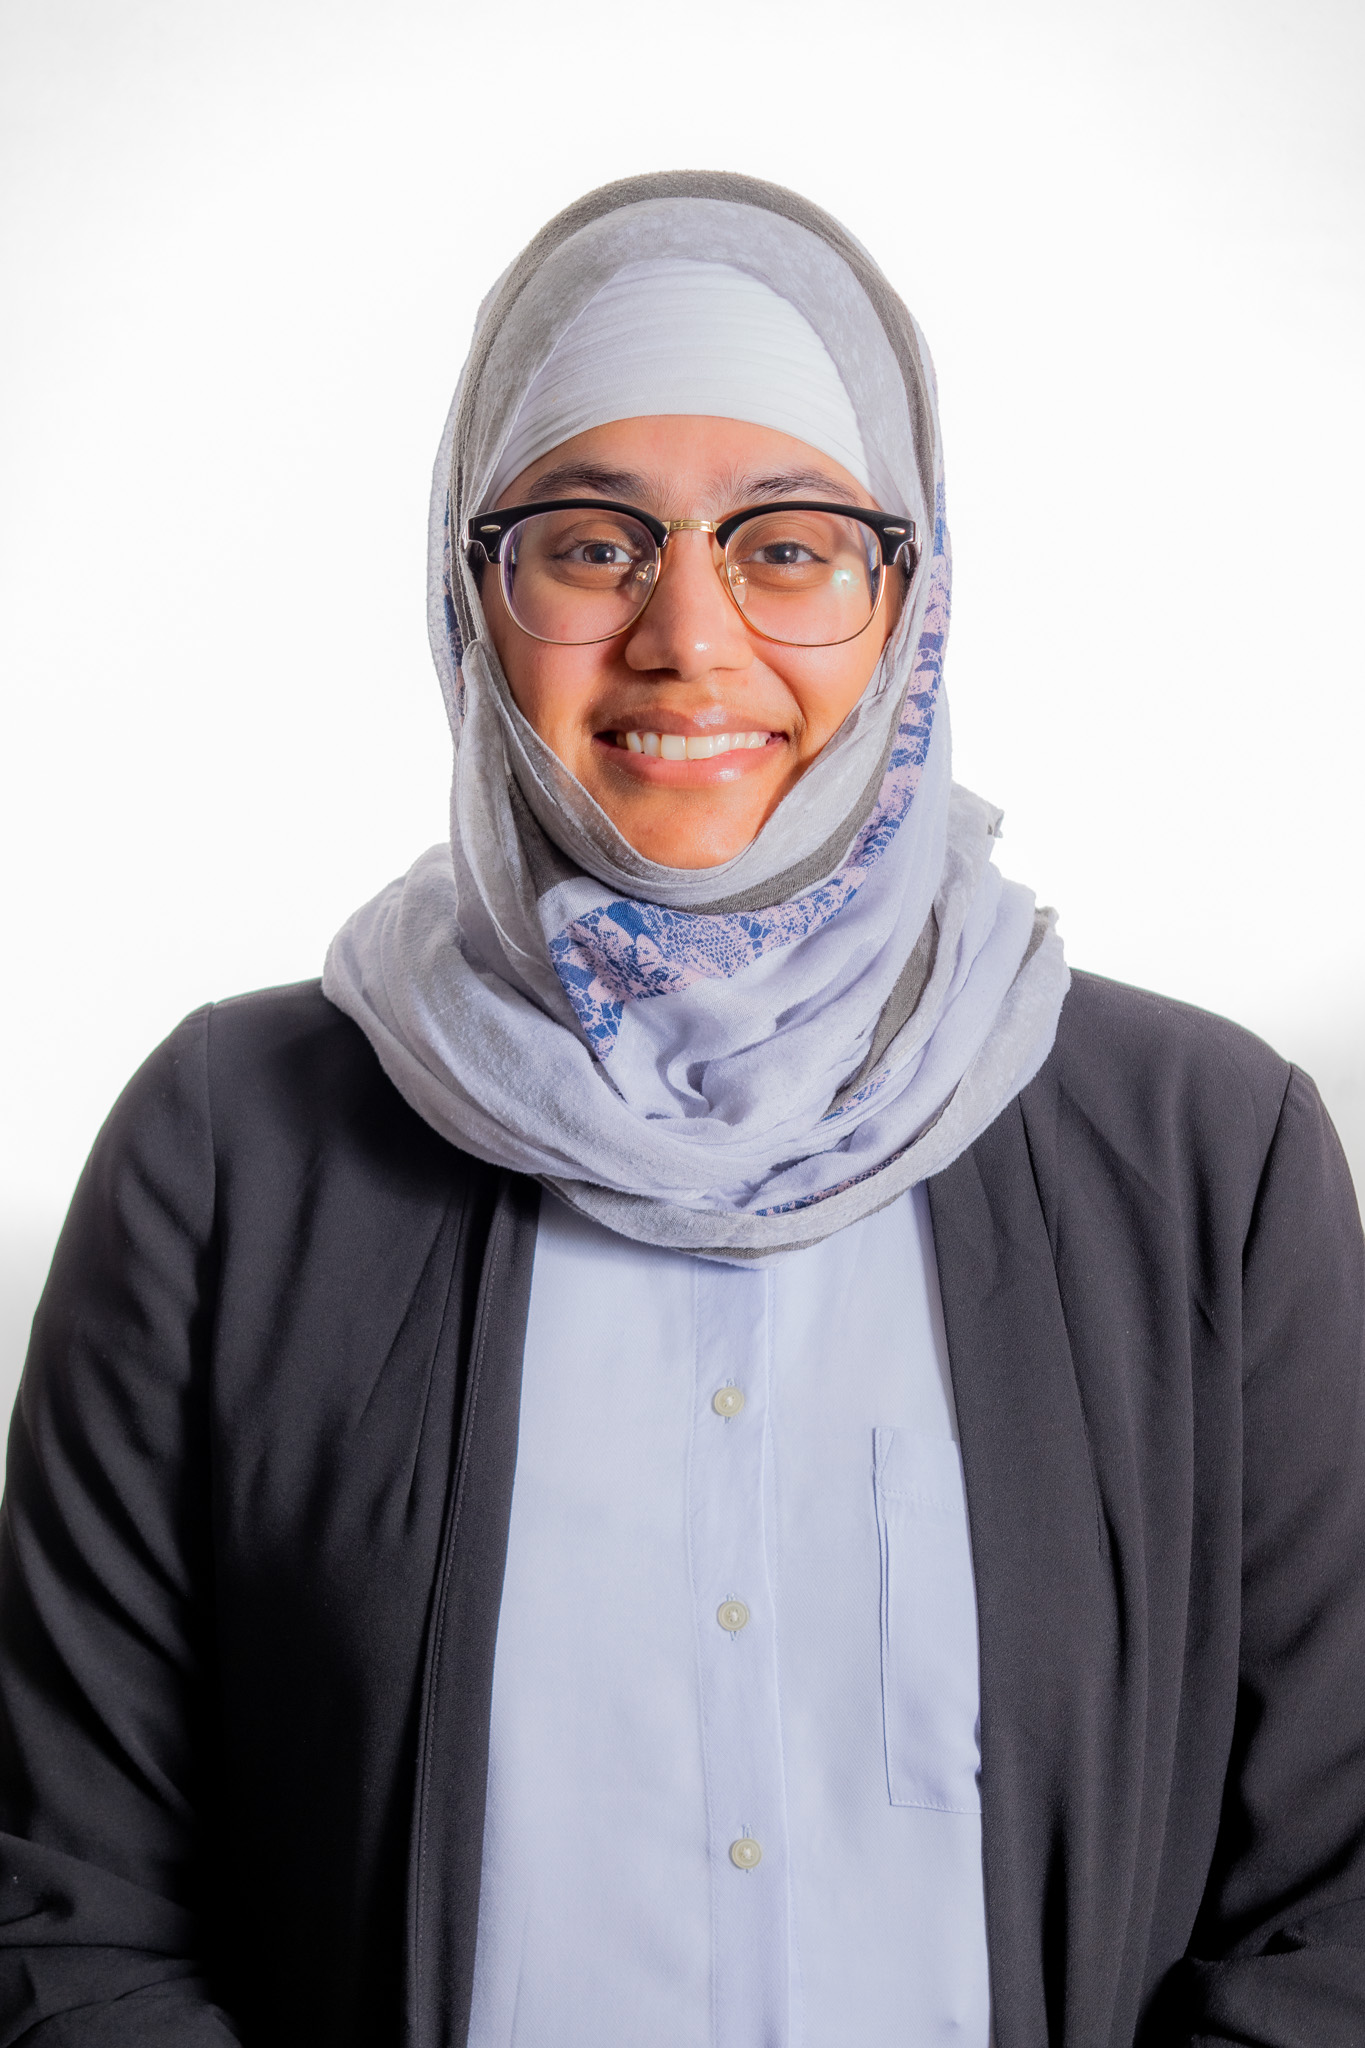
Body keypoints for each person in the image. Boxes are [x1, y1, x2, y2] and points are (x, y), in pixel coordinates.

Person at [0, 169, 1362, 2048]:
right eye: (591, 543)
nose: (689, 639)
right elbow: (68, 1909)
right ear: (469, 597)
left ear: (911, 599)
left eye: (789, 545)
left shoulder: (1209, 1160)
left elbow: (1335, 1915)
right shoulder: (229, 1151)